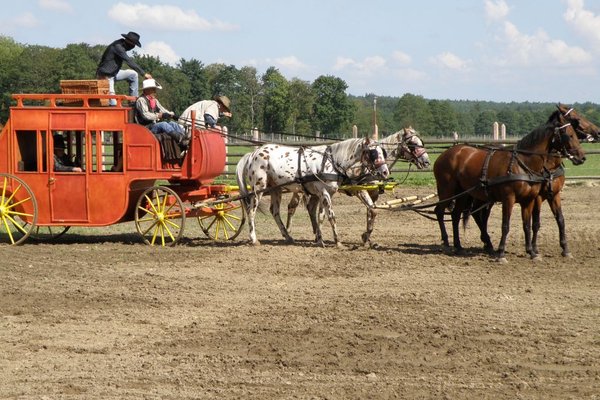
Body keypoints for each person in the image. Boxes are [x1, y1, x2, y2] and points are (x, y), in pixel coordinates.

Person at [96, 31, 152, 106]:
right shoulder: (118, 47)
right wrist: (143, 73)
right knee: (113, 103)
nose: (133, 46)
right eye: (133, 44)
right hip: (106, 77)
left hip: (114, 73)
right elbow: (129, 61)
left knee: (133, 75)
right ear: (128, 41)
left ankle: (133, 101)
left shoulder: (122, 45)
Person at [135, 79, 186, 146]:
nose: (155, 91)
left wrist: (172, 115)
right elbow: (146, 115)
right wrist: (159, 116)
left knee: (173, 123)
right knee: (163, 124)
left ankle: (185, 138)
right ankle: (180, 140)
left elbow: (162, 109)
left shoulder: (154, 100)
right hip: (145, 128)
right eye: (153, 89)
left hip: (153, 125)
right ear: (147, 90)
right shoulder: (141, 100)